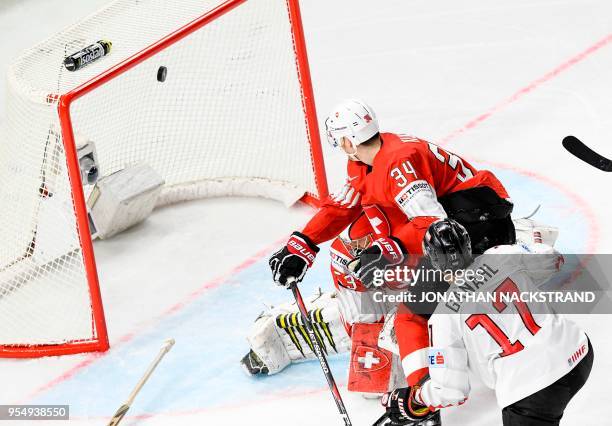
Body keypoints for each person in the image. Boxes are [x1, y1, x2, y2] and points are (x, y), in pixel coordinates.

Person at [267, 99, 516, 394]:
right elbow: (344, 206)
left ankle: (420, 384)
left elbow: (432, 221)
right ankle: (371, 334)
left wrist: (390, 247)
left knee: (399, 298)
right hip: (460, 215)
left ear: (347, 140)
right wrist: (304, 243)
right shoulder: (366, 159)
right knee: (352, 243)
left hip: (477, 226)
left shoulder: (399, 161)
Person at [379, 219, 593, 426]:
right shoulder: (501, 254)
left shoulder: (442, 316)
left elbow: (451, 391)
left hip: (532, 389)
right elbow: (553, 259)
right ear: (468, 244)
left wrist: (414, 398)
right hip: (577, 351)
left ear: (432, 260)